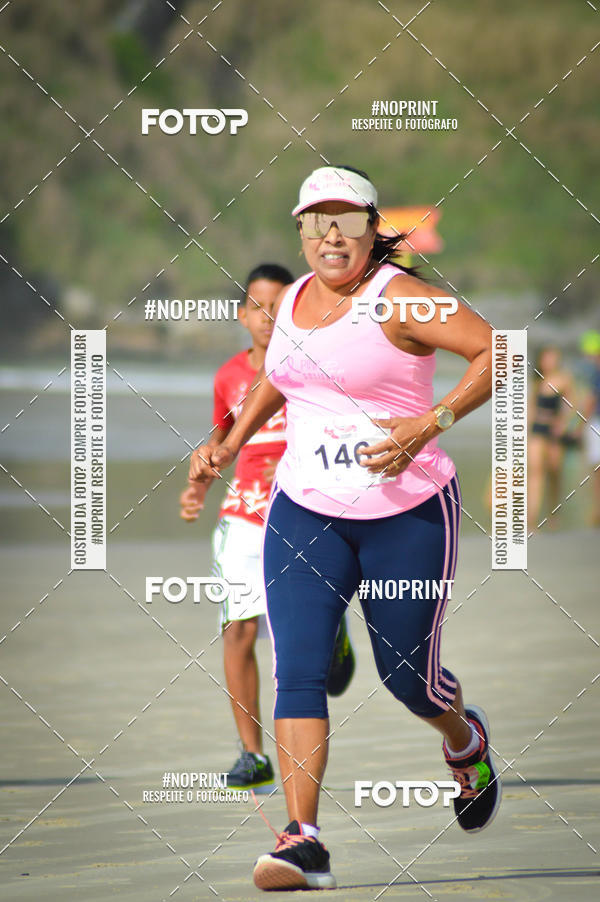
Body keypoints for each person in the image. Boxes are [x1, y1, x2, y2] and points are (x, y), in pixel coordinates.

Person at [189, 166, 500, 890]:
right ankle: (305, 841)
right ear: (300, 230)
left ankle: (466, 742)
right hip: (304, 514)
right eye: (318, 221)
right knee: (297, 670)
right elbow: (280, 375)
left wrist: (431, 422)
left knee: (409, 681)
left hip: (407, 517)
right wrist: (229, 443)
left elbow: (498, 351)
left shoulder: (404, 301)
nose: (333, 234)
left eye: (349, 220)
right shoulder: (293, 300)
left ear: (371, 228)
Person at [181, 262, 355, 793]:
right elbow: (221, 442)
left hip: (301, 513)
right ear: (241, 315)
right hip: (242, 517)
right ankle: (252, 754)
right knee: (239, 629)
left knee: (290, 641)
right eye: (257, 306)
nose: (267, 316)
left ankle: (334, 639)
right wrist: (199, 486)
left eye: (278, 305)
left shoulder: (310, 368)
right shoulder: (229, 376)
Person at [528, 347, 575, 529]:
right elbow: (531, 406)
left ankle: (553, 515)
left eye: (553, 358)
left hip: (555, 431)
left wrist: (562, 423)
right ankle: (531, 518)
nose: (550, 362)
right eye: (547, 358)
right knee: (536, 472)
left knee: (554, 473)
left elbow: (571, 405)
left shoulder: (564, 380)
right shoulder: (537, 380)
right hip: (537, 429)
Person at [580, 330, 600, 526]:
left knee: (596, 469)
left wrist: (579, 425)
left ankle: (596, 511)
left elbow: (591, 400)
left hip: (597, 423)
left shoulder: (596, 372)